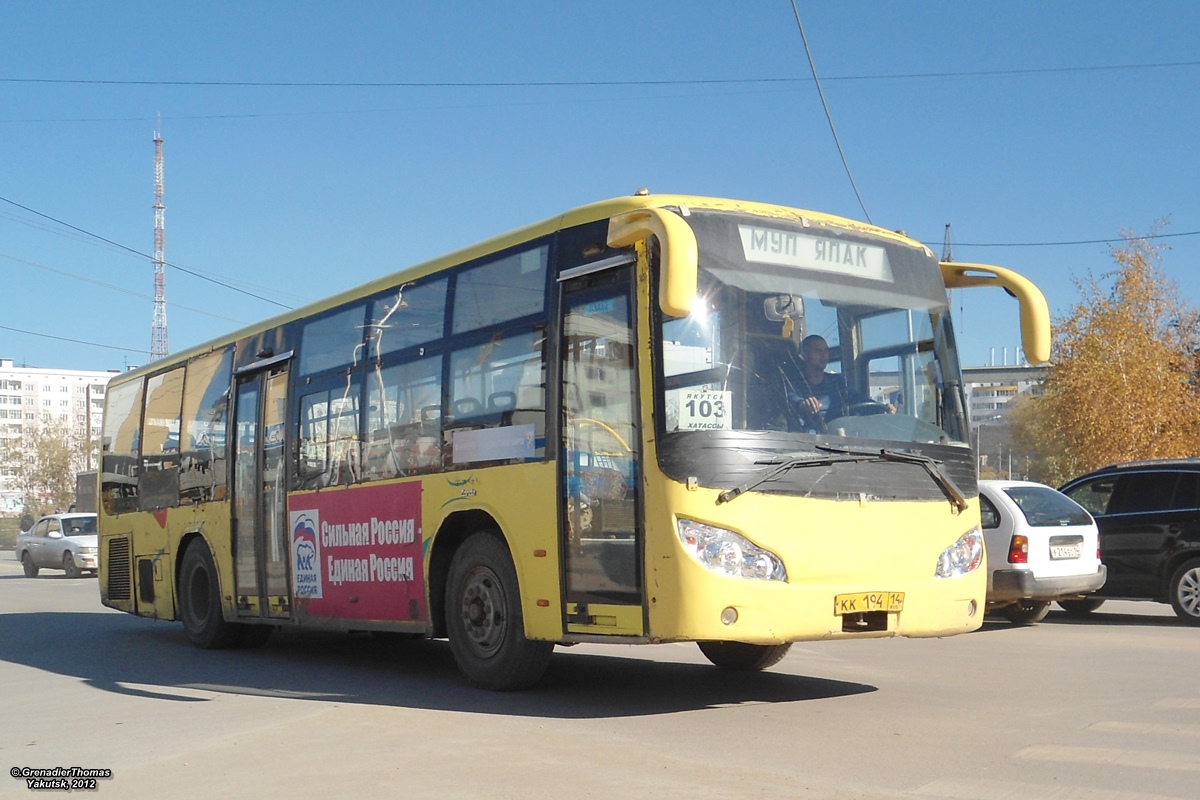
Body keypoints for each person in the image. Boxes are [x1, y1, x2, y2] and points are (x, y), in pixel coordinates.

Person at [780, 335, 893, 432]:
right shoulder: (793, 383)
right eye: (818, 351)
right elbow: (792, 399)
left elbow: (859, 399)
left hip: (837, 438)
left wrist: (883, 408)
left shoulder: (837, 382)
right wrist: (804, 404)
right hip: (806, 442)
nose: (823, 355)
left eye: (826, 351)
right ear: (805, 355)